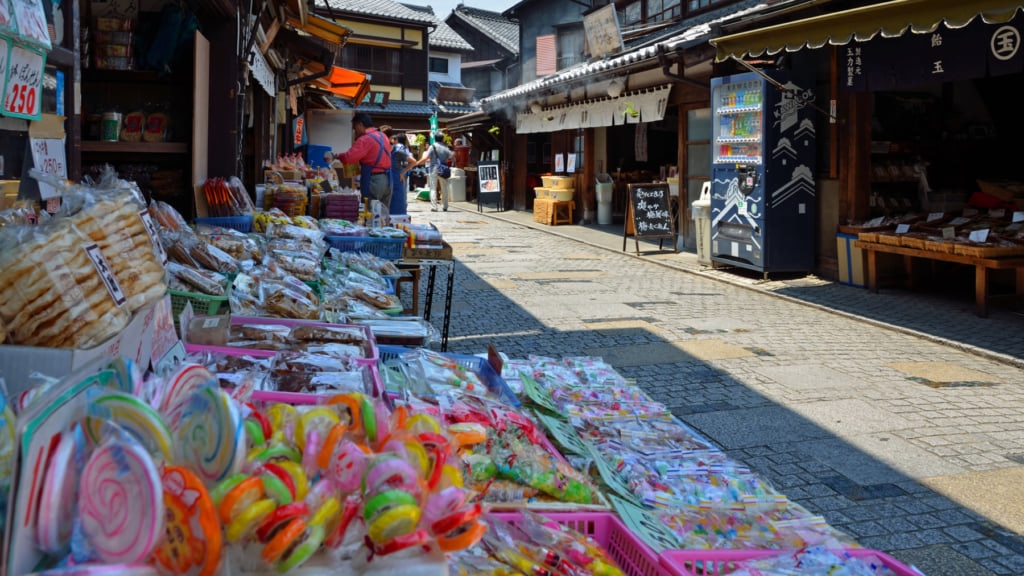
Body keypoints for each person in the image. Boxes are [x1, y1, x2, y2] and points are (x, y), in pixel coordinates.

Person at [326, 113, 392, 210]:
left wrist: (338, 156)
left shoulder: (365, 139)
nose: (355, 131)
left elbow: (349, 158)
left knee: (371, 213)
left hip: (374, 181)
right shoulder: (383, 136)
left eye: (354, 128)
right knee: (383, 214)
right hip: (388, 180)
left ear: (360, 125)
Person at [414, 132, 453, 212]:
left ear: (435, 138)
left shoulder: (432, 147)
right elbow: (452, 157)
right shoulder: (445, 148)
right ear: (442, 139)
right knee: (444, 188)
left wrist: (417, 163)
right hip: (443, 169)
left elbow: (426, 158)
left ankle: (434, 207)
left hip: (433, 169)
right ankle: (445, 206)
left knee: (433, 188)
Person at [388, 132, 415, 215]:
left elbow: (413, 162)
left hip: (397, 179)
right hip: (388, 181)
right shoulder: (385, 153)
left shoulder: (398, 151)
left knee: (398, 205)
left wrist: (403, 172)